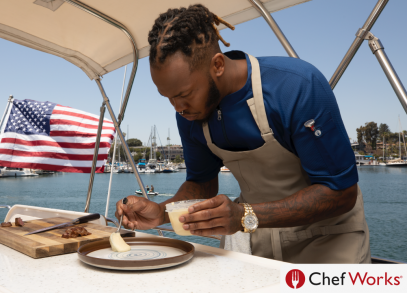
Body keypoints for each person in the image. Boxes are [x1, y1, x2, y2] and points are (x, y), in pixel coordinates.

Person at [116, 4, 370, 264]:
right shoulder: (188, 114)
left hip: (330, 243)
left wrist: (243, 215)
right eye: (168, 98)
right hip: (259, 241)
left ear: (217, 65)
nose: (178, 108)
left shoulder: (296, 87)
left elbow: (341, 193)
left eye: (184, 94)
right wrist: (161, 212)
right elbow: (202, 183)